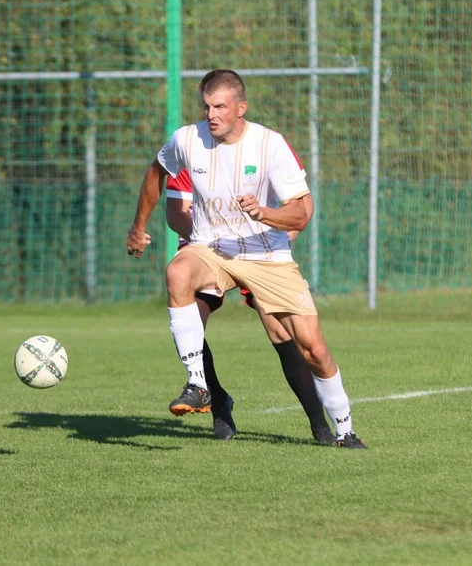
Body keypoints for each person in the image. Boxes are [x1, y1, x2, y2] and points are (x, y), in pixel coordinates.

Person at [126, 68, 366, 449]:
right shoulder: (187, 139)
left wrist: (265, 214)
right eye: (206, 106)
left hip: (264, 253)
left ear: (241, 108)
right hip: (212, 249)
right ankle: (199, 385)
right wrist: (138, 226)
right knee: (177, 272)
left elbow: (301, 212)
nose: (211, 114)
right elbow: (158, 171)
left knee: (311, 347)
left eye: (220, 106)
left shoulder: (270, 145)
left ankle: (342, 430)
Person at [165, 168, 335, 444]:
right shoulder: (189, 152)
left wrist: (282, 237)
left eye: (218, 120)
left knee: (281, 332)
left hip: (258, 252)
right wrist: (209, 241)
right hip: (207, 253)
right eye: (208, 120)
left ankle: (319, 424)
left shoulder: (264, 147)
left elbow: (303, 205)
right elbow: (176, 212)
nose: (212, 122)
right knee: (189, 323)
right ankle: (218, 403)